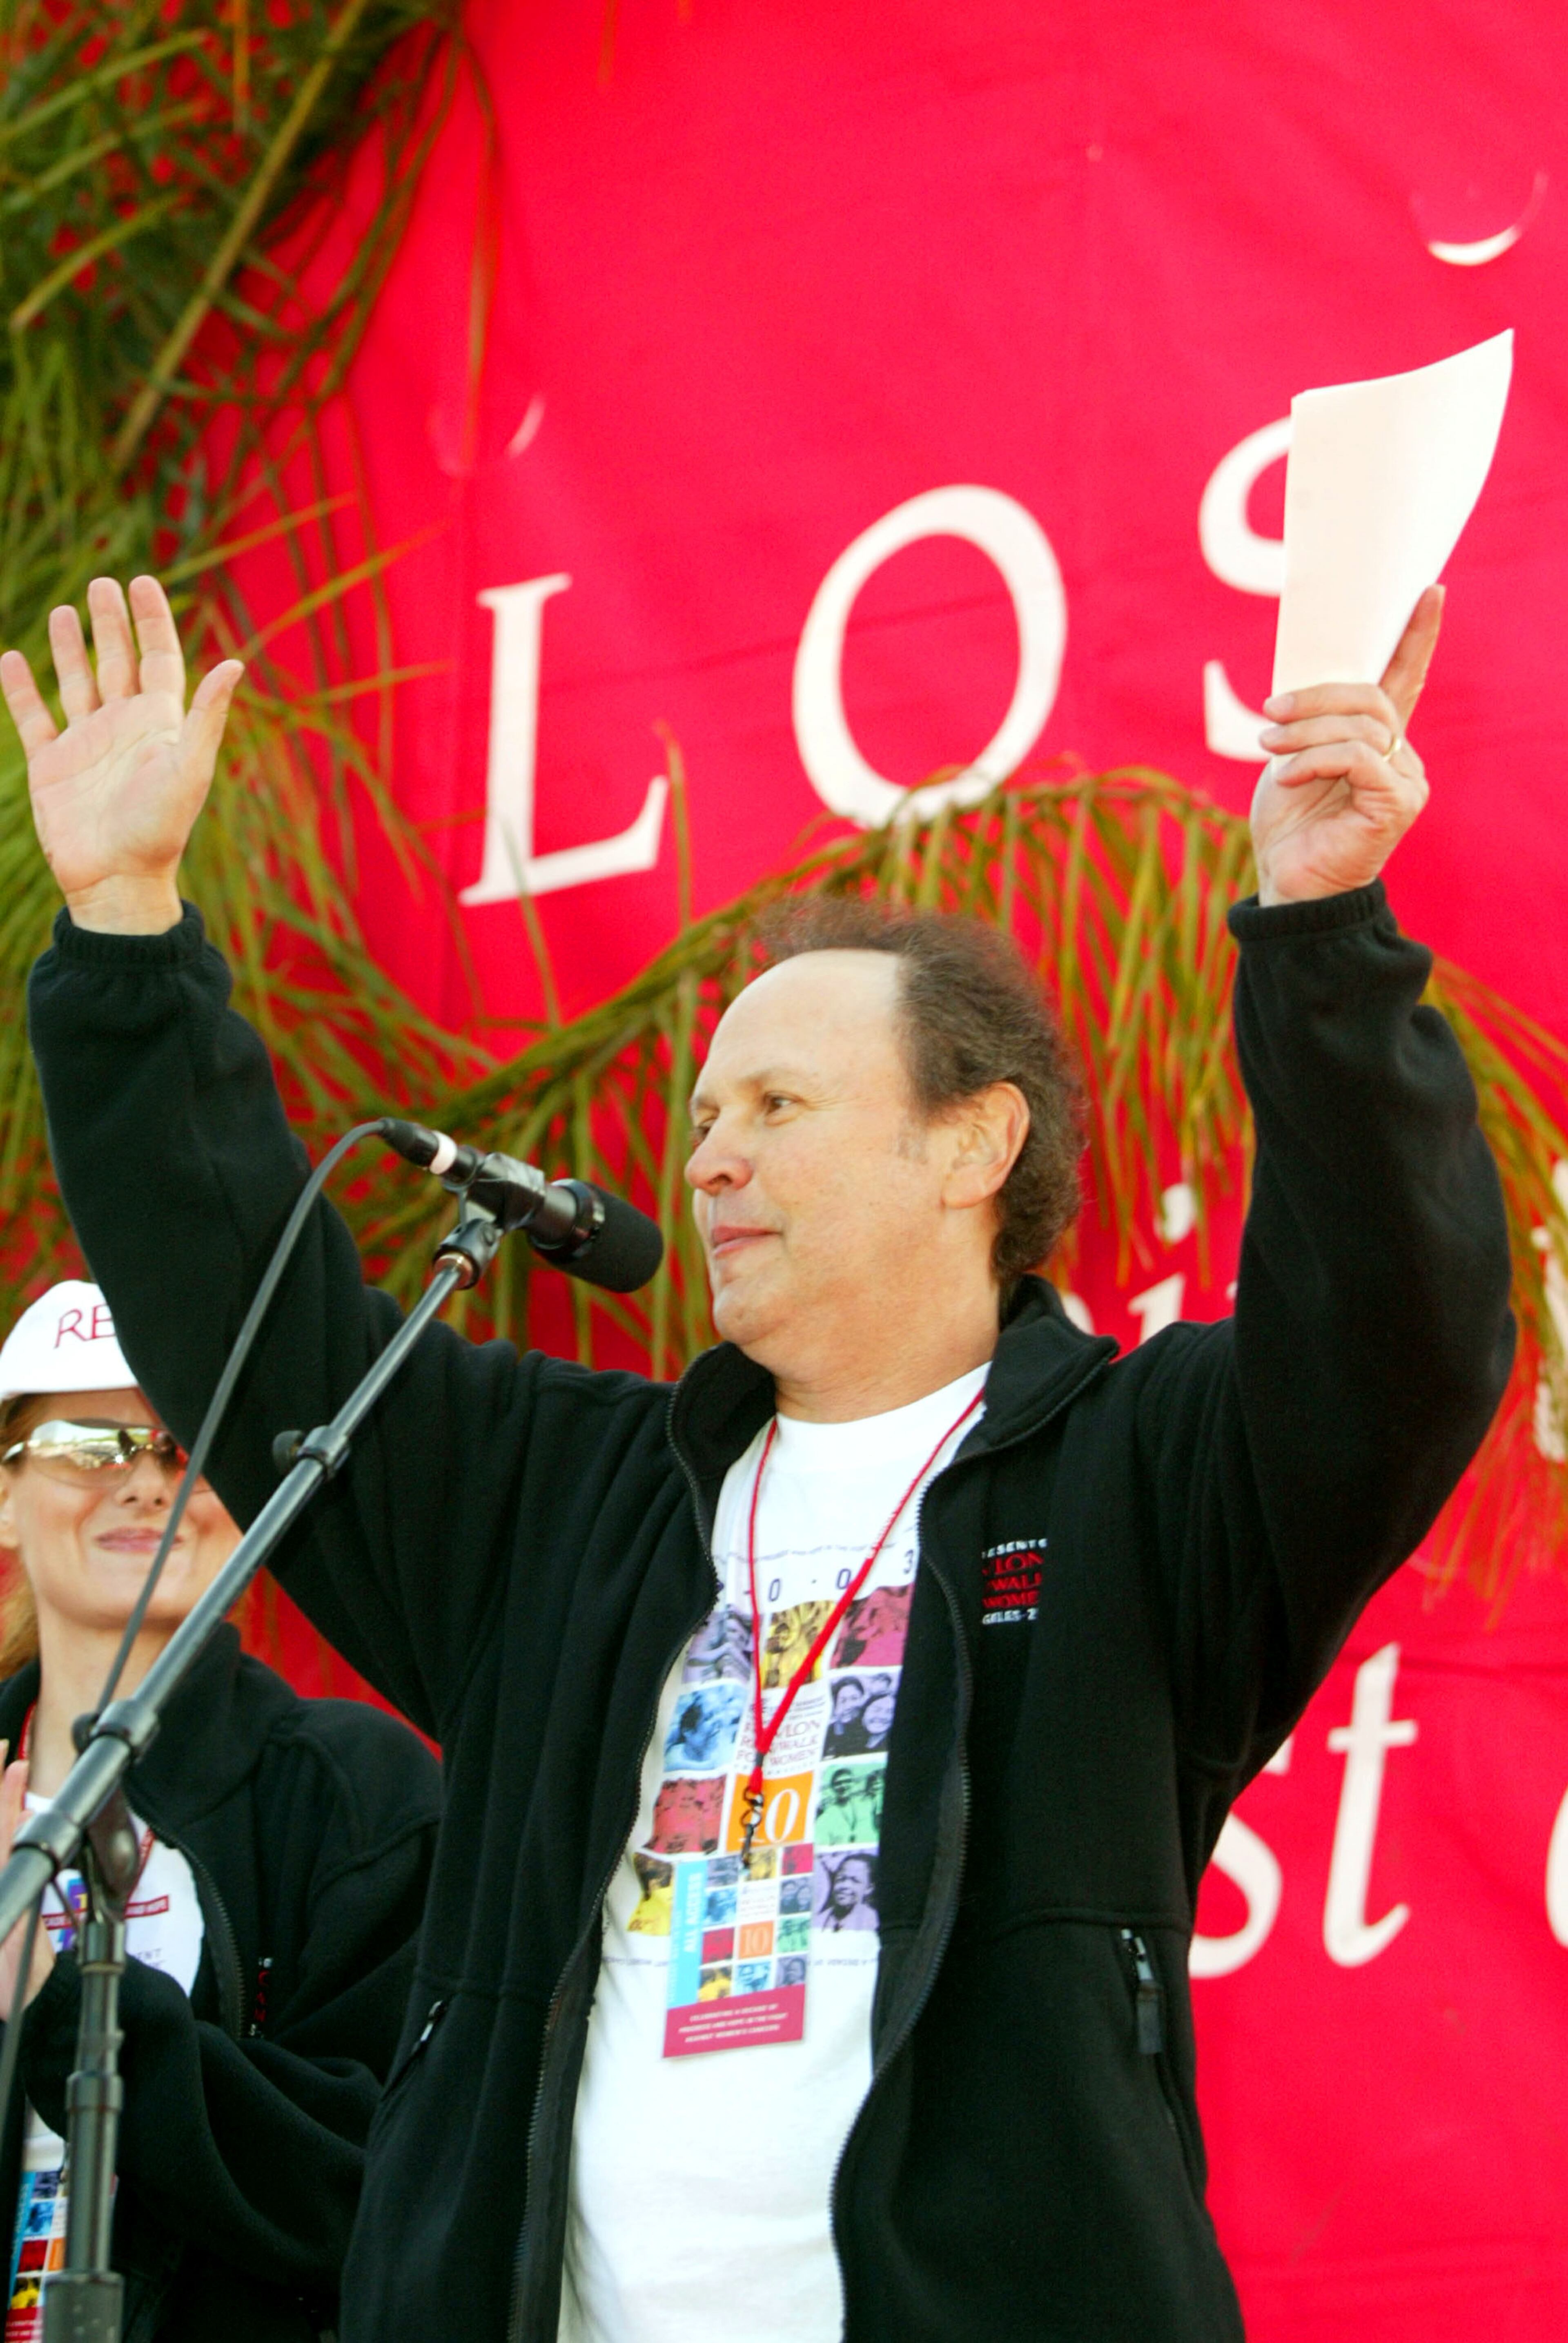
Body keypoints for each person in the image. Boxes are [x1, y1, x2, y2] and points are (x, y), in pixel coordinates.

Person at [1, 574, 1512, 2343]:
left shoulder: (1136, 1478)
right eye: (705, 1115)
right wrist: (121, 936)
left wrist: (1324, 938)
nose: (709, 1158)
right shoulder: (562, 1502)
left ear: (973, 1143)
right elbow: (264, 1331)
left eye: (778, 1109)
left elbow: (1393, 1336)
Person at [0, 1280, 441, 2342]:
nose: (147, 1481)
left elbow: (381, 2186)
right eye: (89, 1442)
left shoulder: (357, 1792)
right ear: (7, 1492)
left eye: (185, 1441)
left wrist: (60, 2001)